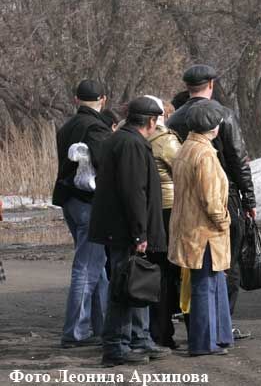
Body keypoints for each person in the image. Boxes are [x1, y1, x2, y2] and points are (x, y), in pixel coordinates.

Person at [167, 65, 257, 341]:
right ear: (211, 84)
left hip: (183, 198)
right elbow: (238, 159)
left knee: (191, 266)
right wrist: (249, 198)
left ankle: (198, 323)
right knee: (224, 263)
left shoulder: (174, 120)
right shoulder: (222, 115)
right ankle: (221, 324)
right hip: (221, 196)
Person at [89, 97, 172, 367]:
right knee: (125, 288)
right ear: (151, 121)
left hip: (121, 229)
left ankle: (138, 338)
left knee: (137, 285)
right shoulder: (131, 144)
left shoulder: (121, 140)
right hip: (125, 231)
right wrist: (140, 233)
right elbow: (134, 192)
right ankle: (117, 345)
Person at [169, 100, 233, 356]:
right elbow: (210, 199)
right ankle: (204, 342)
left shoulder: (186, 148)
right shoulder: (204, 154)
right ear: (213, 127)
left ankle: (219, 336)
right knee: (205, 285)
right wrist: (224, 220)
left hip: (189, 228)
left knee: (211, 282)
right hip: (204, 232)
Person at [53, 79, 112, 348]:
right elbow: (105, 164)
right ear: (103, 99)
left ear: (76, 100)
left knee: (95, 266)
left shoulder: (66, 127)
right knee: (87, 267)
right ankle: (75, 332)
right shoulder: (97, 128)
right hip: (90, 203)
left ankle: (100, 325)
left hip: (69, 201)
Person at [143, 96, 183, 349]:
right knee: (168, 272)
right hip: (168, 208)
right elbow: (181, 171)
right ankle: (163, 331)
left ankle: (152, 329)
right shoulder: (166, 140)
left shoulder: (136, 138)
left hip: (146, 209)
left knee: (152, 269)